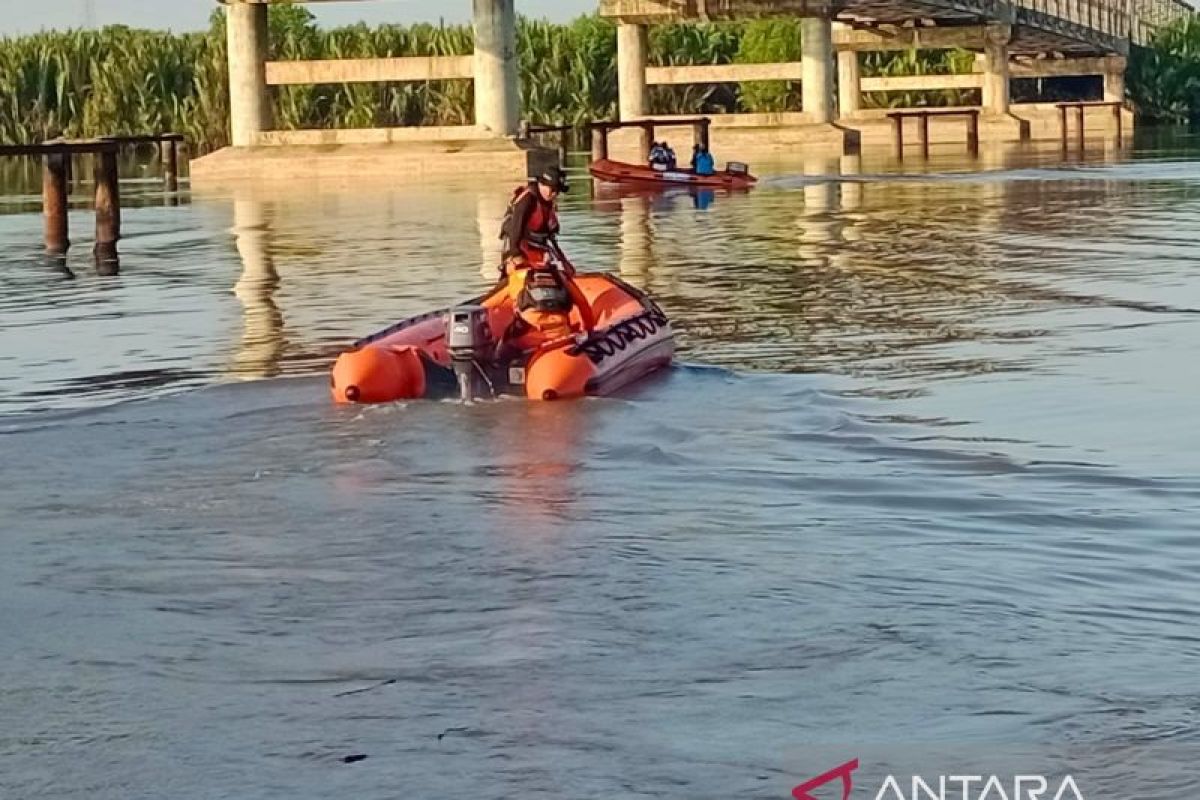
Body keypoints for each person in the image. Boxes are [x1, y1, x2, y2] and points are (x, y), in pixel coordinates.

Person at [495, 166, 594, 353]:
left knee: (559, 285)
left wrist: (563, 261)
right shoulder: (528, 199)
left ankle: (558, 326)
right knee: (519, 293)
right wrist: (515, 256)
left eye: (557, 190)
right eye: (552, 189)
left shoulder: (547, 203)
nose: (554, 194)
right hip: (520, 256)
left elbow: (548, 238)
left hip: (538, 255)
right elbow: (515, 228)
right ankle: (510, 333)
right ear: (541, 184)